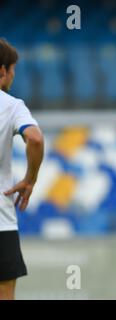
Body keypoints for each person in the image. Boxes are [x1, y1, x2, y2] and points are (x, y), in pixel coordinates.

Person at [0, 38, 44, 300]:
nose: (13, 75)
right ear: (2, 71)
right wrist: (30, 178)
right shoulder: (11, 105)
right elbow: (36, 139)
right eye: (12, 69)